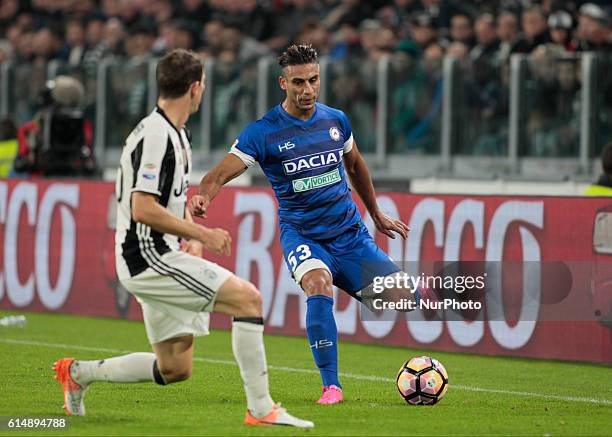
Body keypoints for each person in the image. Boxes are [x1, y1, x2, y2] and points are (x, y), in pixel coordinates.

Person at [52, 49, 313, 429]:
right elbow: (143, 208)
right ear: (195, 88)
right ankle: (261, 410)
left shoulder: (172, 132)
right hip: (148, 256)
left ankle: (78, 373)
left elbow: (169, 198)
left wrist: (188, 227)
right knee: (249, 299)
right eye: (203, 84)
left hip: (153, 253)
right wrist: (201, 233)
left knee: (174, 367)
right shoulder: (158, 136)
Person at [189, 44, 423, 405]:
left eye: (313, 80)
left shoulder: (335, 120)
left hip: (349, 235)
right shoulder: (263, 132)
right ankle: (332, 387)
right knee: (317, 284)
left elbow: (356, 165)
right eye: (298, 82)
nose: (307, 89)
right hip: (304, 236)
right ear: (283, 83)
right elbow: (218, 174)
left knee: (407, 298)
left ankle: (355, 281)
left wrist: (375, 212)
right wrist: (205, 195)